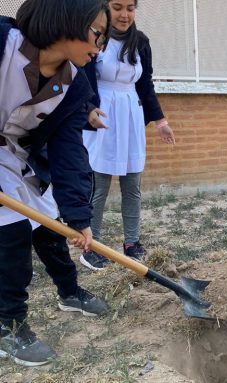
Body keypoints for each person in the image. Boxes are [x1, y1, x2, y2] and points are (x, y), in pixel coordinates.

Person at [0, 0, 111, 366]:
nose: (100, 47)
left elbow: (68, 151)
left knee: (49, 226)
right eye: (98, 33)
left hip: (14, 156)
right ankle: (9, 325)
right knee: (11, 233)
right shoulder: (4, 42)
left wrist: (79, 218)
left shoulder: (73, 84)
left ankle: (69, 291)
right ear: (68, 21)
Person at [80, 0, 175, 271]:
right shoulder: (96, 37)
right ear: (106, 8)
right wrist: (88, 109)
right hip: (102, 114)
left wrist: (160, 121)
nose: (124, 14)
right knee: (99, 185)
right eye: (117, 7)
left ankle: (132, 243)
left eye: (130, 8)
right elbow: (81, 78)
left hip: (131, 115)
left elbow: (146, 83)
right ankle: (92, 245)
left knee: (132, 184)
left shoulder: (141, 42)